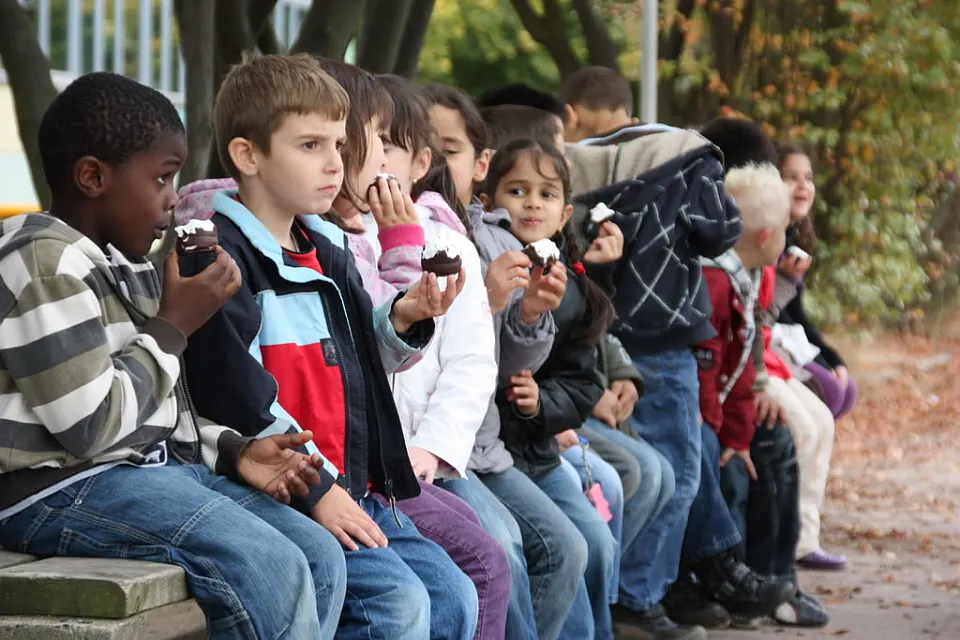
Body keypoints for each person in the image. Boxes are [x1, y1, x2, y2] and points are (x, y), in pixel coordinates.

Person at [0, 71, 351, 639]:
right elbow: (91, 428)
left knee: (318, 553)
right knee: (271, 566)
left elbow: (158, 416)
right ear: (92, 177)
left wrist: (235, 451)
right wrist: (173, 324)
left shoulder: (124, 262)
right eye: (162, 179)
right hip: (55, 490)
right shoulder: (42, 260)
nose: (172, 201)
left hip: (140, 476)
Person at [178, 54, 478, 640]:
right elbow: (236, 399)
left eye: (340, 146)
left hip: (352, 486)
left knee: (452, 596)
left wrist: (407, 316)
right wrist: (319, 491)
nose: (335, 165)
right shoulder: (221, 261)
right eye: (311, 145)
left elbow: (364, 368)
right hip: (282, 490)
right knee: (396, 607)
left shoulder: (328, 245)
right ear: (248, 156)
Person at [425, 82, 590, 640]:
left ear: (479, 164)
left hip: (488, 446)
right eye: (415, 145)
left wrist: (523, 315)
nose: (429, 161)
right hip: (448, 452)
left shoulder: (492, 237)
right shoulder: (413, 237)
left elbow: (505, 366)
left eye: (447, 150)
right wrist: (494, 304)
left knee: (573, 544)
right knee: (513, 550)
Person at [566, 120, 743, 638]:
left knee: (643, 467)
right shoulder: (692, 157)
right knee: (678, 474)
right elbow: (720, 232)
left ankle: (630, 595)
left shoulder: (582, 159)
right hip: (664, 334)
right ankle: (636, 599)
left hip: (606, 330)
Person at [368, 72, 513, 640]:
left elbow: (472, 362)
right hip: (371, 467)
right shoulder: (337, 234)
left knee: (503, 543)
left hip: (431, 456)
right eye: (364, 143)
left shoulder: (448, 244)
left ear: (418, 160)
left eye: (389, 145)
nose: (375, 160)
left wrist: (433, 447)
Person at [480, 138, 620, 639]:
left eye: (545, 193)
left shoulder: (572, 286)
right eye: (517, 190)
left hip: (538, 449)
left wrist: (543, 404)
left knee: (597, 544)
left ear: (564, 213)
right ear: (490, 199)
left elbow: (585, 382)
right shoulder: (481, 265)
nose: (531, 203)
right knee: (565, 550)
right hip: (496, 455)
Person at [778, 145, 858, 421]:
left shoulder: (794, 237)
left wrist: (832, 358)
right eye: (791, 177)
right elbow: (773, 313)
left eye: (808, 178)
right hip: (768, 347)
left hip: (791, 340)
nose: (803, 186)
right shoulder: (764, 237)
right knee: (833, 391)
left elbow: (797, 314)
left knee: (847, 390)